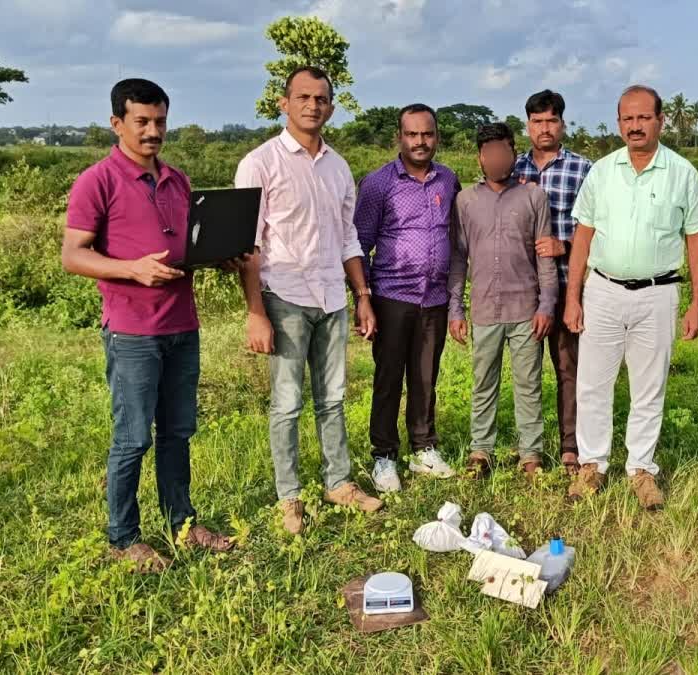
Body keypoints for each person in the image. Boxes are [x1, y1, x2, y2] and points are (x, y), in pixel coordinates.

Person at [61, 78, 233, 573]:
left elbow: (186, 247)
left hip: (183, 325)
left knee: (177, 431)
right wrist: (131, 268)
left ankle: (183, 523)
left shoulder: (178, 181)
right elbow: (74, 256)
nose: (153, 131)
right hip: (133, 331)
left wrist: (216, 256)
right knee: (133, 436)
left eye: (160, 121)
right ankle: (123, 537)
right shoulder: (98, 180)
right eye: (142, 121)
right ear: (117, 123)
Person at [235, 66, 384, 536]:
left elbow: (348, 238)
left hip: (332, 297)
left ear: (331, 107)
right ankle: (289, 496)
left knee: (333, 397)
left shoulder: (339, 166)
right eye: (303, 97)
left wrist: (361, 295)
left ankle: (338, 483)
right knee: (287, 401)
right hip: (285, 296)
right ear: (284, 102)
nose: (312, 106)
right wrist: (256, 312)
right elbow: (248, 246)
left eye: (321, 99)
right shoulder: (260, 163)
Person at [563, 85, 698, 510]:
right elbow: (583, 236)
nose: (635, 126)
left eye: (644, 117)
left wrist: (696, 303)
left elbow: (696, 239)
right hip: (603, 290)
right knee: (593, 383)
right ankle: (592, 464)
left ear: (661, 121)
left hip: (657, 293)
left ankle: (642, 469)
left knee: (650, 386)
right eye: (627, 119)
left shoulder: (682, 173)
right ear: (618, 123)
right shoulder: (602, 172)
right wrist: (573, 297)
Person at [355, 104, 461, 492]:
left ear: (437, 137)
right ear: (399, 137)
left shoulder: (448, 180)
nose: (420, 142)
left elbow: (454, 238)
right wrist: (362, 298)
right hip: (391, 295)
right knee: (388, 379)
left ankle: (423, 448)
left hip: (433, 297)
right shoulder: (378, 183)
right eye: (412, 134)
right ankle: (384, 456)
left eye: (427, 134)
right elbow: (360, 243)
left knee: (425, 377)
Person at [449, 123, 557, 478]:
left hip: (526, 309)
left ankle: (531, 455)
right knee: (483, 384)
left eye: (503, 150)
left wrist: (546, 306)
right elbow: (458, 259)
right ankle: (481, 451)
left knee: (529, 384)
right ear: (480, 157)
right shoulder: (465, 201)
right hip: (483, 309)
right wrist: (456, 308)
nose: (497, 158)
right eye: (489, 152)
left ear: (513, 153)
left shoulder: (533, 197)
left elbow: (545, 256)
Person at [512, 89, 592, 474]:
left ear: (562, 124)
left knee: (567, 367)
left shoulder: (583, 169)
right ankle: (528, 447)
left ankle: (570, 447)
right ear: (528, 125)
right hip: (522, 289)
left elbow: (598, 229)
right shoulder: (512, 169)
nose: (545, 128)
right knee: (525, 371)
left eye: (552, 121)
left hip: (566, 286)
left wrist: (565, 245)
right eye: (538, 121)